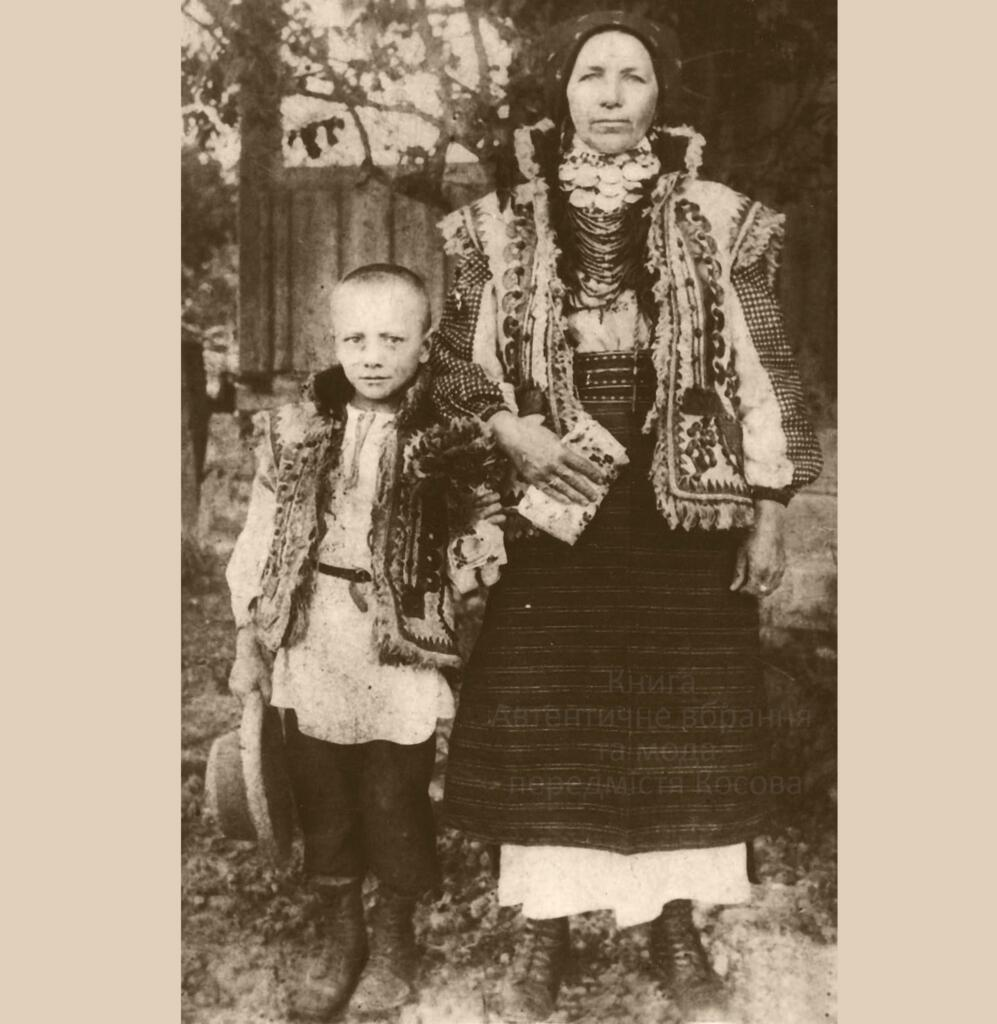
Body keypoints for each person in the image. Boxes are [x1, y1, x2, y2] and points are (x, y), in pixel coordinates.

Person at [430, 10, 823, 1024]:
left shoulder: (724, 218)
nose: (610, 94)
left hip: (681, 500)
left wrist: (770, 508)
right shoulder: (493, 225)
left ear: (661, 96)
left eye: (632, 76)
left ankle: (672, 922)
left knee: (678, 709)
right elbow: (452, 367)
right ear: (561, 93)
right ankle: (544, 925)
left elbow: (769, 368)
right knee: (549, 709)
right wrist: (513, 433)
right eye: (591, 75)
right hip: (549, 499)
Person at [226, 264, 505, 1020]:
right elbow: (260, 536)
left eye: (392, 339)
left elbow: (479, 529)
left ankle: (394, 938)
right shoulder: (296, 429)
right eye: (355, 339)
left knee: (393, 791)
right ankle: (340, 935)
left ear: (425, 345)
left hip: (399, 644)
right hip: (314, 635)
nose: (373, 357)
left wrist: (475, 554)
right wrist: (250, 637)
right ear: (334, 341)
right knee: (320, 787)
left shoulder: (448, 436)